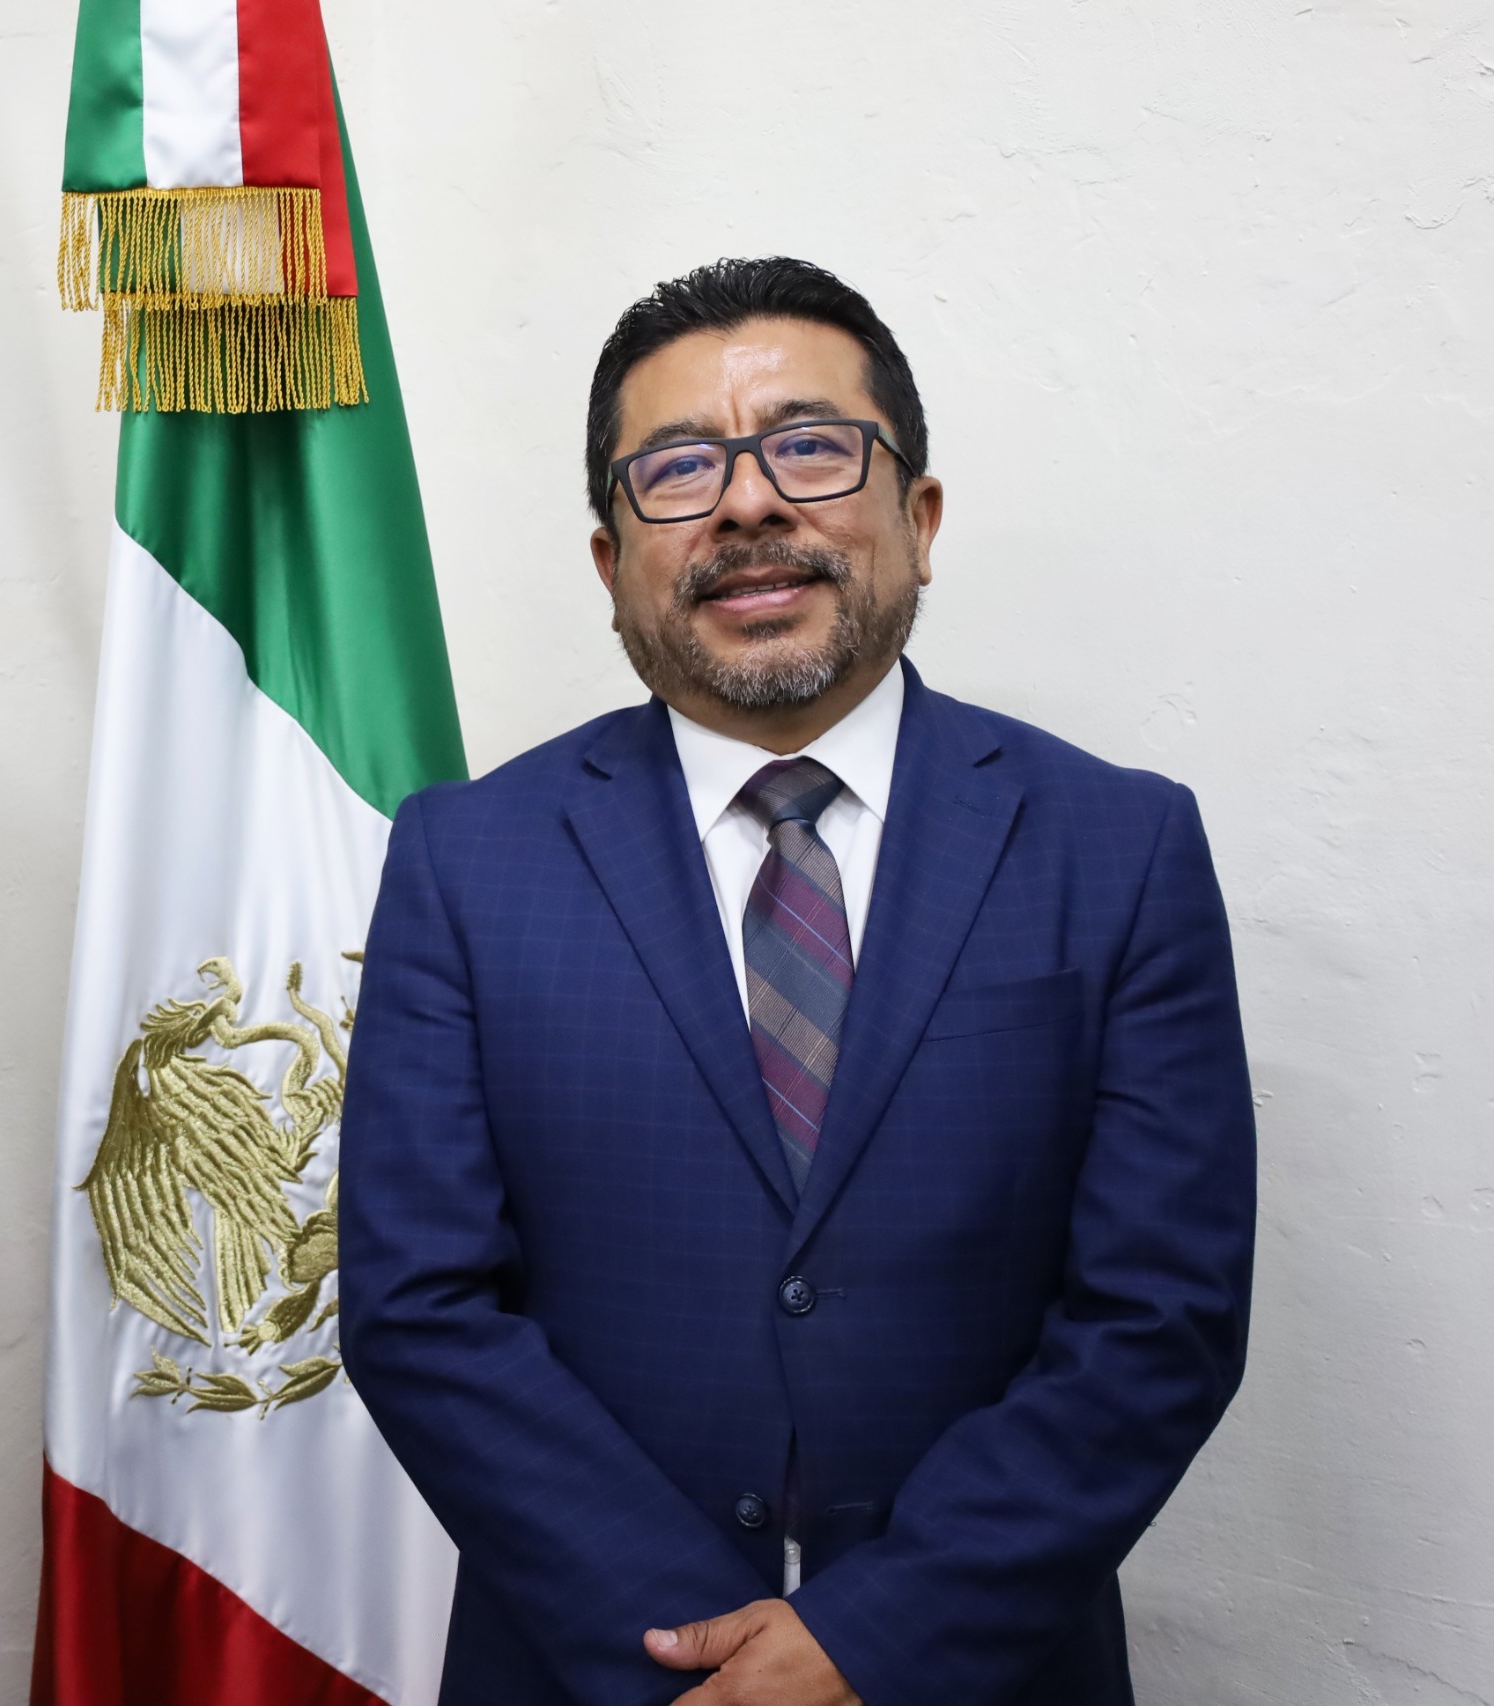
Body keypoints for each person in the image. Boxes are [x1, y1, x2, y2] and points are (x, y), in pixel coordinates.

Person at [339, 257, 1254, 1706]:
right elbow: (419, 1307)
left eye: (811, 448)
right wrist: (707, 1655)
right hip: (598, 1670)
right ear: (609, 564)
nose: (749, 505)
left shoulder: (1119, 846)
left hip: (986, 1669)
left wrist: (869, 1642)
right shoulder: (466, 858)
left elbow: (1161, 1318)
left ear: (920, 519)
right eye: (678, 469)